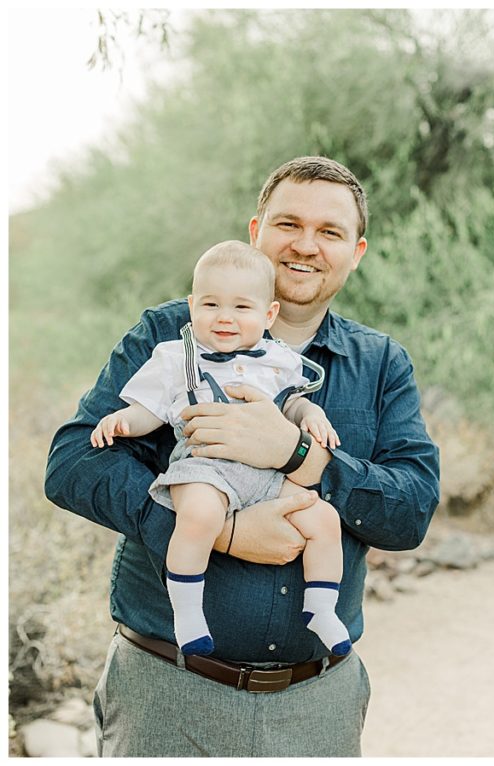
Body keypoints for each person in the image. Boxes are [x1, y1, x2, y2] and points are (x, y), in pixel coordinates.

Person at [45, 156, 441, 757]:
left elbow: (410, 511)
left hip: (319, 703)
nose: (306, 246)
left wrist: (297, 453)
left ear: (355, 252)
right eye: (289, 224)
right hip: (167, 690)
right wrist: (223, 531)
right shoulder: (170, 336)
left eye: (329, 232)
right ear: (256, 232)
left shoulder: (381, 363)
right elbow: (73, 464)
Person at [90, 240, 351, 659]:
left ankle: (320, 607)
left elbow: (292, 401)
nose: (225, 318)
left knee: (321, 517)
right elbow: (149, 409)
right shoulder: (178, 357)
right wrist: (123, 421)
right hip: (204, 469)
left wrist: (310, 417)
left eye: (241, 308)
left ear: (268, 315)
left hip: (265, 478)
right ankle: (188, 612)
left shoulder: (278, 360)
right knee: (200, 515)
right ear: (193, 307)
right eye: (211, 305)